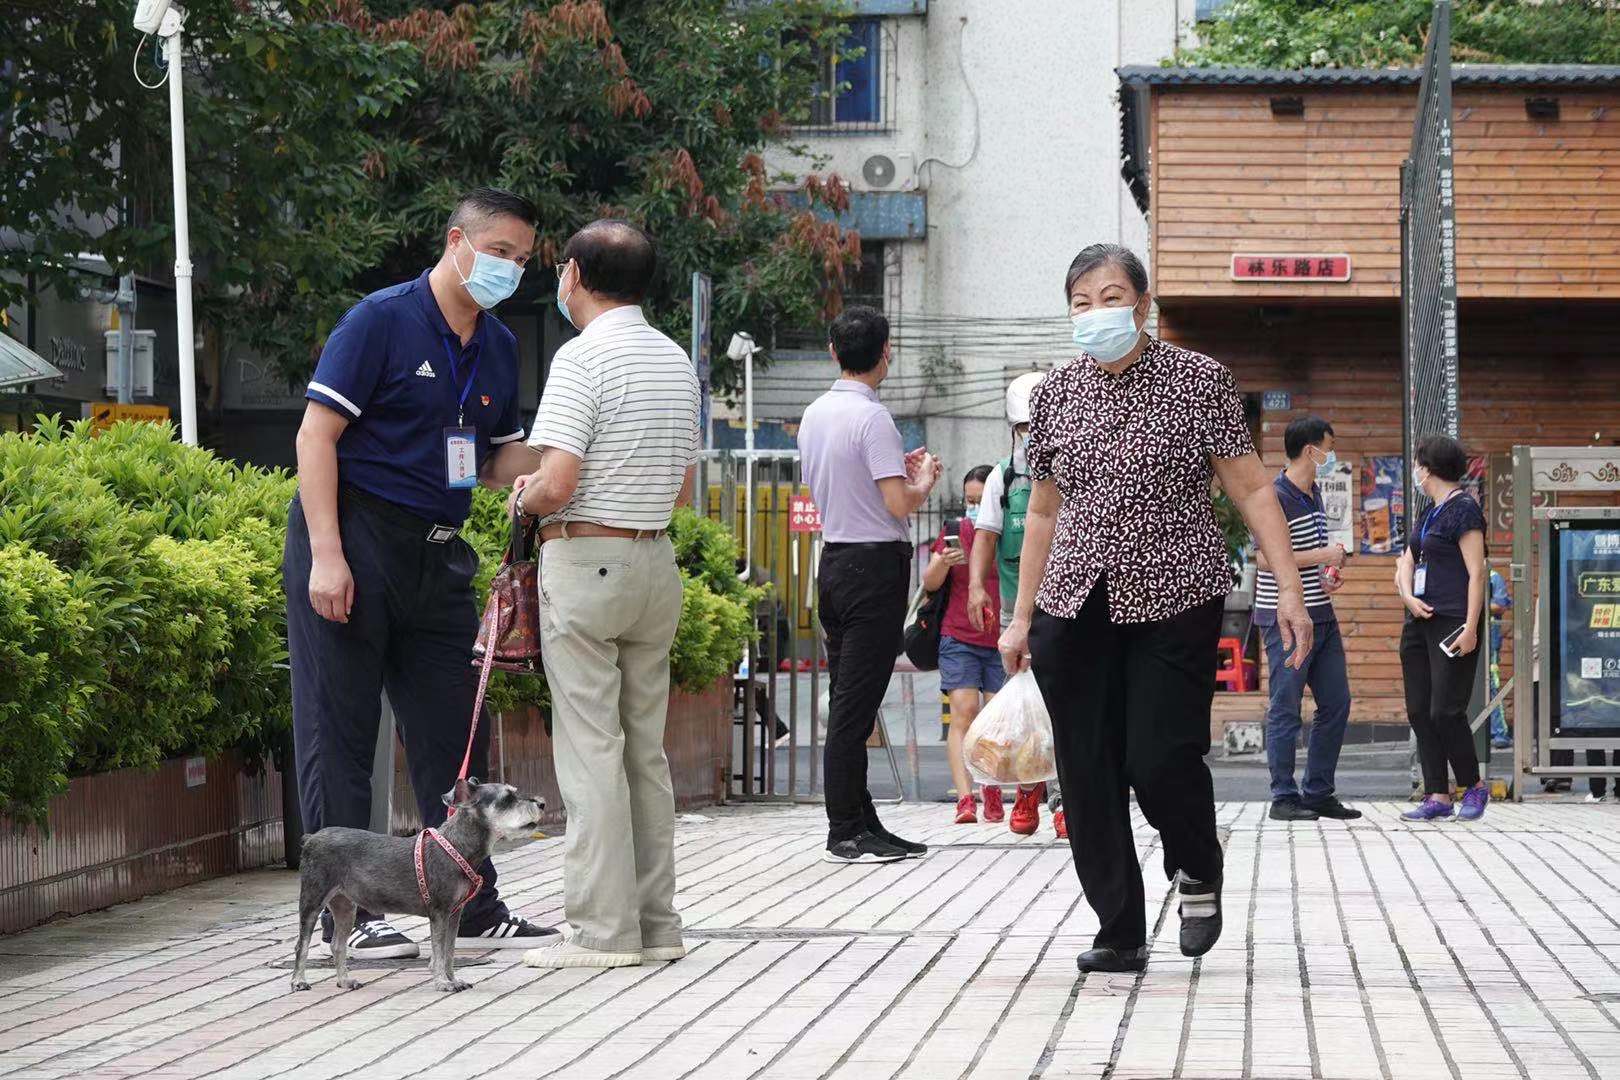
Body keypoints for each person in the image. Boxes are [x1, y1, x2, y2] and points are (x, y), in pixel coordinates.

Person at [998, 243, 1314, 975]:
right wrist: (1020, 617)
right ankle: (1119, 928)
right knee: (1087, 768)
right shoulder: (1056, 394)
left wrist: (1290, 586)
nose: (1095, 313)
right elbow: (1042, 512)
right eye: (1080, 303)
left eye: (1110, 297)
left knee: (1159, 755)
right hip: (1075, 600)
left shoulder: (1200, 381)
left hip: (1176, 593)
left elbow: (1251, 489)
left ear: (1141, 304)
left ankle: (1197, 865)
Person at [284, 187, 554, 960]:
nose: (510, 267)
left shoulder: (498, 344)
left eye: (524, 258)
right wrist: (328, 555)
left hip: (439, 553)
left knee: (450, 728)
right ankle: (349, 907)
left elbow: (496, 457)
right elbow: (316, 436)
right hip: (356, 536)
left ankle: (469, 902)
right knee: (340, 731)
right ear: (456, 240)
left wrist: (564, 447)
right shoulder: (381, 320)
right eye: (499, 251)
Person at [510, 220, 702, 969]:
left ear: (575, 274)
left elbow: (555, 481)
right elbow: (682, 485)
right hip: (654, 563)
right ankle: (657, 927)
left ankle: (599, 933)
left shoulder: (583, 358)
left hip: (585, 560)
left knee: (591, 751)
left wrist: (524, 496)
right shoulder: (673, 357)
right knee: (643, 755)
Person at [798, 305, 942, 865]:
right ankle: (845, 828)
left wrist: (896, 474)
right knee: (853, 708)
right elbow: (897, 502)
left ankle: (862, 819)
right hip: (874, 566)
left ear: (834, 353)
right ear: (886, 353)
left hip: (834, 562)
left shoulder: (814, 414)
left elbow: (830, 481)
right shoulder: (874, 418)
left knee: (850, 699)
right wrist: (923, 480)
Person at [969, 372, 1063, 838]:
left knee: (1064, 704)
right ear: (1014, 429)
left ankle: (1066, 802)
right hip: (1015, 610)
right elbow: (985, 536)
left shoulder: (1075, 469)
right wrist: (975, 587)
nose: (1035, 435)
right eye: (1027, 426)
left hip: (1068, 605)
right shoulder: (1001, 478)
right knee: (1025, 708)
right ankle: (1027, 793)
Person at [1254, 416, 1359, 823]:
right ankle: (1284, 796)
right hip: (1284, 618)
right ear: (1310, 450)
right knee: (1286, 706)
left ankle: (1318, 792)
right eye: (1329, 448)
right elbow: (1265, 560)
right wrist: (1323, 557)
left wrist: (1327, 575)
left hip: (1322, 616)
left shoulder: (1313, 493)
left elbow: (1305, 554)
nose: (1331, 456)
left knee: (1337, 703)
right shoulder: (1274, 496)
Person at [1397, 435, 1491, 823]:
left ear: (1428, 468)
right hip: (1419, 620)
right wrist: (1407, 596)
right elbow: (1406, 560)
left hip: (1454, 620)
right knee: (1419, 709)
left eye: (1419, 464)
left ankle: (1474, 786)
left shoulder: (1464, 509)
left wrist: (1471, 626)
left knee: (1446, 710)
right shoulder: (1429, 511)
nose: (1416, 471)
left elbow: (1477, 572)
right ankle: (1437, 793)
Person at [923, 466, 1013, 827]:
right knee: (963, 713)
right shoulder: (953, 533)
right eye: (969, 500)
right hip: (958, 635)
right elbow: (929, 584)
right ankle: (964, 798)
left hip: (1000, 639)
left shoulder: (1007, 534)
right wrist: (943, 563)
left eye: (979, 500)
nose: (973, 507)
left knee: (995, 722)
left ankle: (989, 785)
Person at [1489, 569, 1513, 749]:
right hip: (1464, 638)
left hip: (1489, 640)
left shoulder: (1493, 576)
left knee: (1491, 684)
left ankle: (1500, 732)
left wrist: (1474, 602)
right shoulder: (1459, 571)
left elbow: (1501, 604)